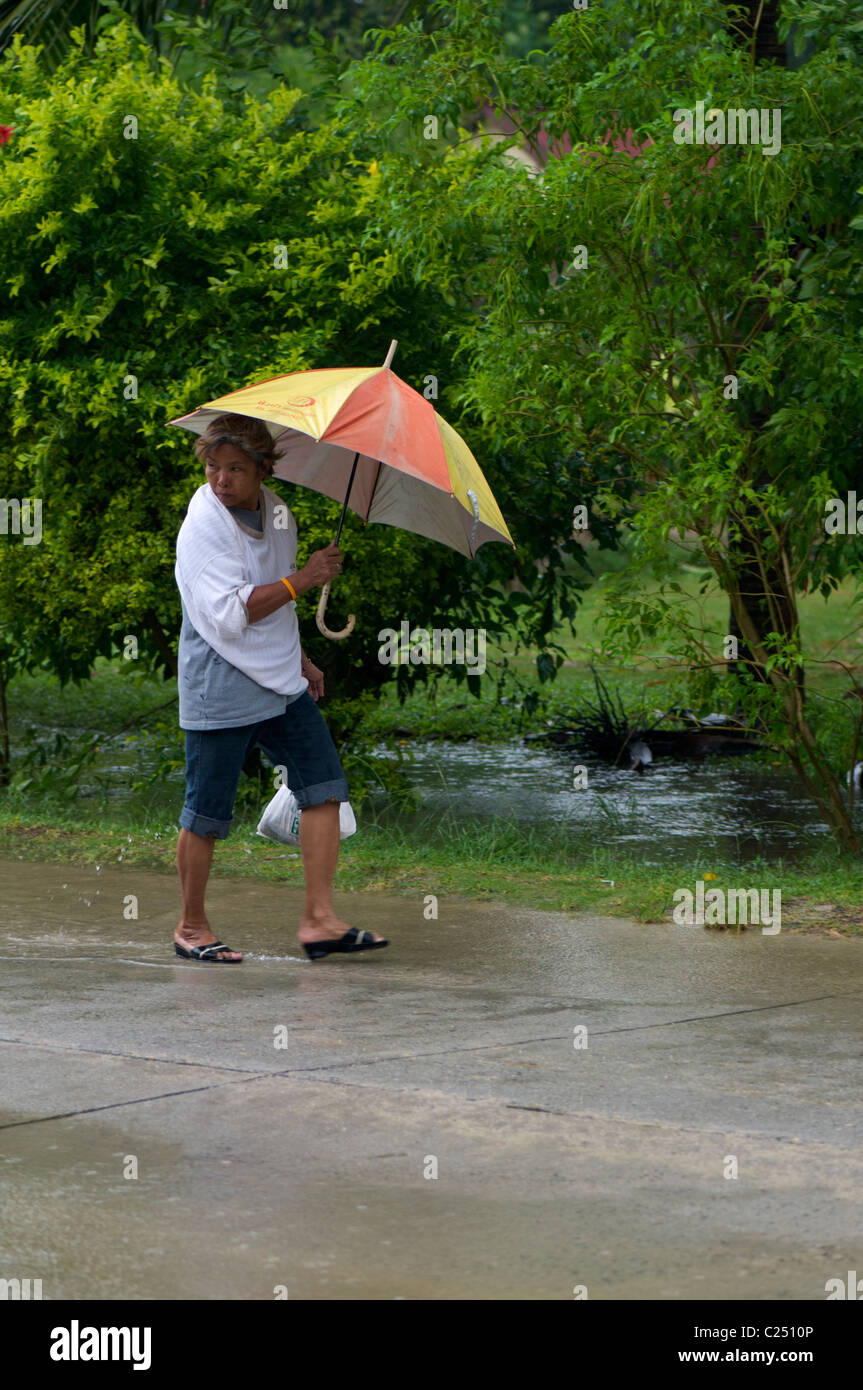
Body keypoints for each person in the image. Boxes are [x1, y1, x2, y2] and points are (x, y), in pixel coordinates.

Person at [172, 412, 387, 963]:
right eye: (214, 467)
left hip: (278, 675)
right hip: (219, 675)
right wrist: (306, 579)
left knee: (324, 786)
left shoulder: (279, 515)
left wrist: (303, 658)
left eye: (236, 469)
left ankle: (319, 921)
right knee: (207, 811)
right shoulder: (204, 521)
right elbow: (228, 616)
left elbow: (273, 608)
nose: (221, 479)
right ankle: (191, 927)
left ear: (265, 469)